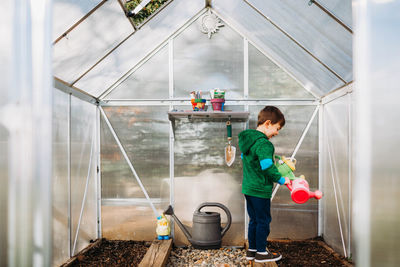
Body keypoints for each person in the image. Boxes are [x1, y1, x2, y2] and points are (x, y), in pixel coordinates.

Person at [238, 106, 290, 263]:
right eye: (277, 128)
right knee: (263, 221)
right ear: (268, 123)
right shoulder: (264, 144)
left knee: (254, 220)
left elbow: (249, 160)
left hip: (248, 188)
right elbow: (267, 166)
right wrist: (282, 179)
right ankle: (261, 252)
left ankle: (252, 251)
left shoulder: (248, 141)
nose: (277, 132)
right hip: (260, 190)